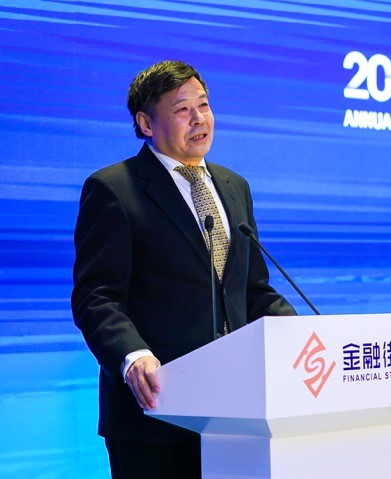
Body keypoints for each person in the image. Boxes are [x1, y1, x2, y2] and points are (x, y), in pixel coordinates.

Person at [71, 60, 296, 479]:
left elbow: (251, 290)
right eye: (182, 109)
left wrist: (307, 337)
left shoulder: (234, 186)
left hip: (237, 410)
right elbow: (96, 297)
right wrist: (133, 356)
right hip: (156, 414)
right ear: (145, 123)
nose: (199, 118)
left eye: (204, 105)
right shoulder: (114, 189)